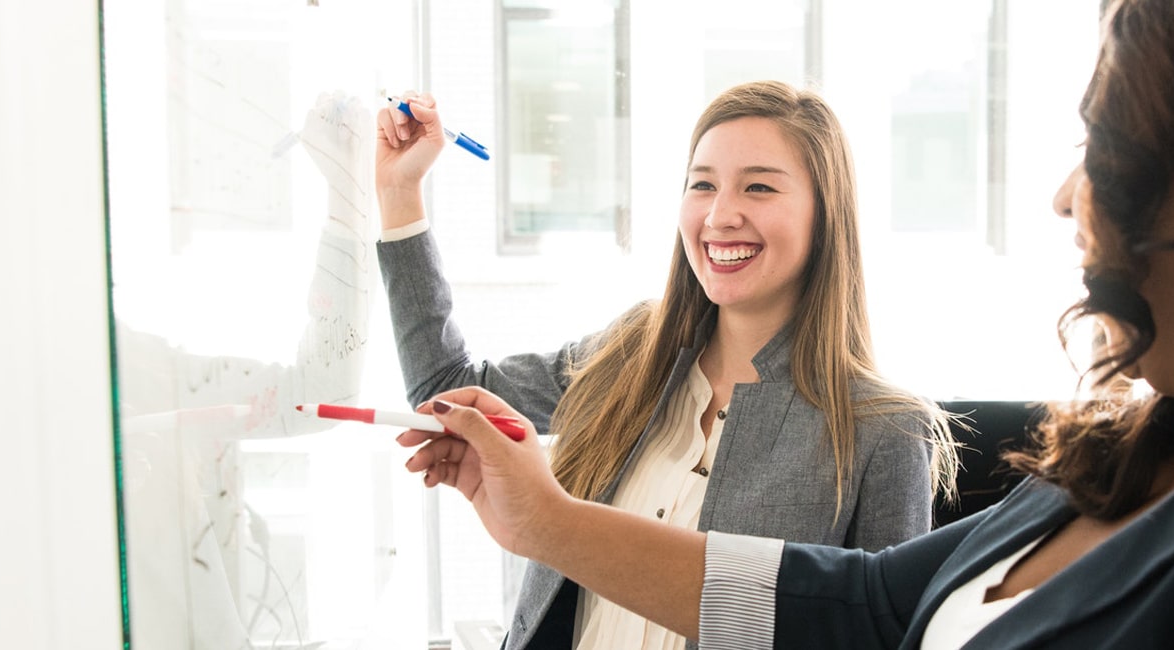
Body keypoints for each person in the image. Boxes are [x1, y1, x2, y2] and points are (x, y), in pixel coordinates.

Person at [392, 0, 1174, 647]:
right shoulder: (1122, 465)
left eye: (1099, 146)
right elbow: (866, 607)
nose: (1061, 194)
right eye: (700, 183)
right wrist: (545, 519)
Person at [372, 81, 956, 650]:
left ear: (825, 215)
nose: (720, 215)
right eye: (702, 185)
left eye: (758, 188)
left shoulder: (886, 429)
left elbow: (887, 632)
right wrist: (401, 192)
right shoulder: (632, 353)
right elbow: (447, 391)